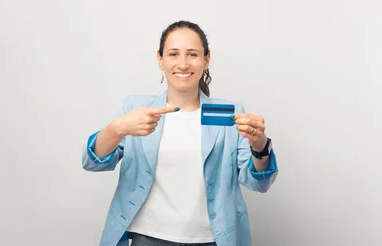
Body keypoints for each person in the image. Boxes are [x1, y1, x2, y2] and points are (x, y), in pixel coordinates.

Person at [81, 20, 279, 246]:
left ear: (206, 60)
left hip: (212, 240)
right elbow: (92, 162)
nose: (183, 64)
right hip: (148, 238)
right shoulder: (136, 109)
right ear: (160, 59)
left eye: (192, 54)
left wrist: (260, 145)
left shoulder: (230, 114)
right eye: (173, 54)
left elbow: (259, 183)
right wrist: (118, 128)